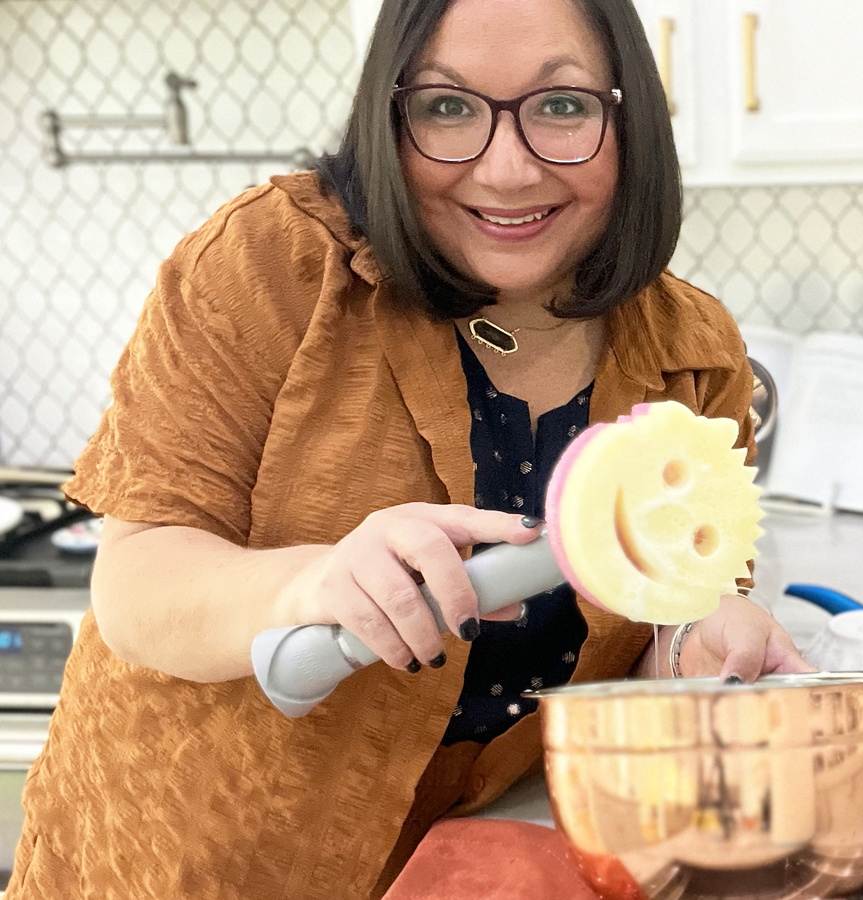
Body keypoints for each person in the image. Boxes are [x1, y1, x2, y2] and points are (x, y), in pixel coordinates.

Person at [7, 0, 808, 897]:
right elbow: (138, 587)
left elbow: (668, 628)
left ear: (631, 120)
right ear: (391, 118)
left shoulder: (693, 354)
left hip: (460, 869)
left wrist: (710, 643)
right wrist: (310, 585)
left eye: (563, 106)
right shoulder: (270, 268)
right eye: (448, 108)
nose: (508, 170)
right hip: (185, 860)